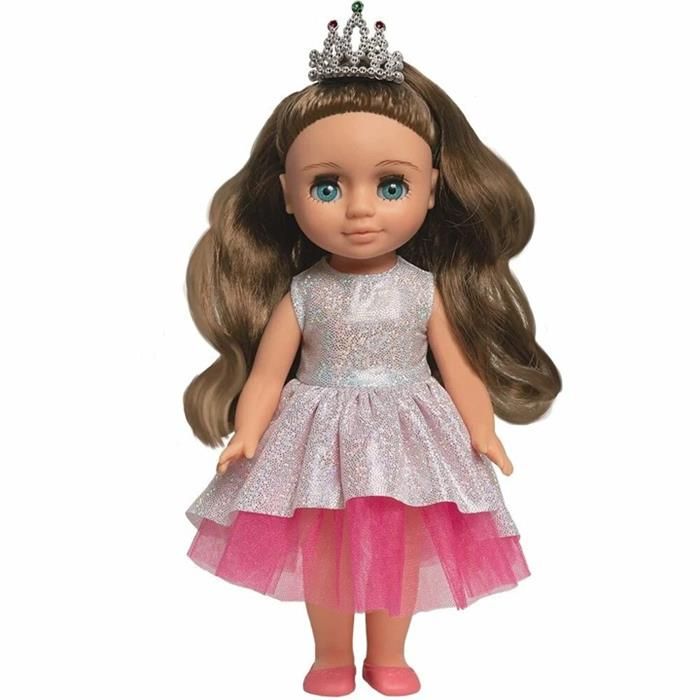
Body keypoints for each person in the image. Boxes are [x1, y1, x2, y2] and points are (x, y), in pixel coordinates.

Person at [183, 2, 561, 695]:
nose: (360, 209)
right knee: (324, 551)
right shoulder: (303, 292)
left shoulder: (423, 288)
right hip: (316, 433)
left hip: (407, 432)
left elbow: (459, 368)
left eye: (391, 186)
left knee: (395, 548)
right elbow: (267, 375)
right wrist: (249, 430)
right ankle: (331, 655)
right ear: (288, 196)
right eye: (327, 186)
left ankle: (388, 653)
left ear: (431, 190)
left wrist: (482, 429)